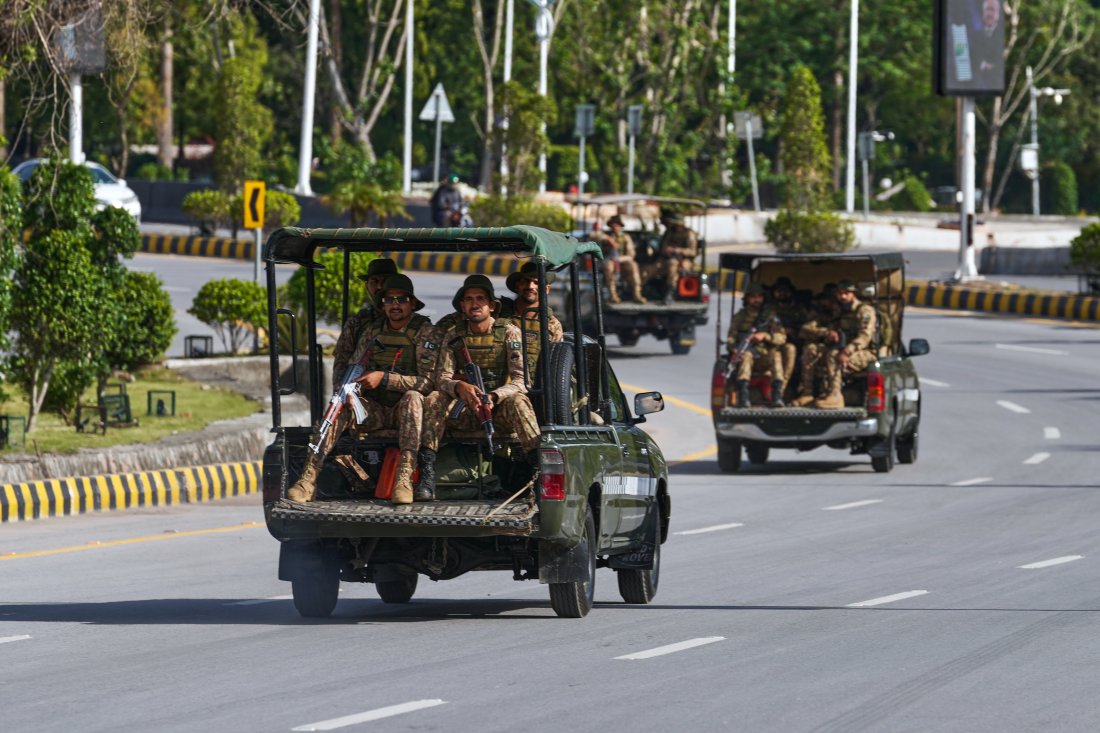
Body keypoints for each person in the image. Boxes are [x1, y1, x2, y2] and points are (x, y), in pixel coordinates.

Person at [288, 274, 443, 505]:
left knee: (413, 398)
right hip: (375, 410)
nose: (395, 305)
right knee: (338, 407)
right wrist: (352, 392)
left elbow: (428, 383)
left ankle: (403, 478)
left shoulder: (426, 332)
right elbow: (355, 368)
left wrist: (385, 378)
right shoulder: (372, 332)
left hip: (407, 412)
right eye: (389, 300)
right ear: (383, 304)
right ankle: (308, 479)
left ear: (412, 303)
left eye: (401, 299)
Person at [422, 275, 541, 465]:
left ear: (491, 306)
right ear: (462, 306)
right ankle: (426, 466)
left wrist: (494, 396)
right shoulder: (454, 334)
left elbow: (521, 380)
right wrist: (459, 386)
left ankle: (538, 465)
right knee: (434, 398)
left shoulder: (509, 333)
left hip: (496, 411)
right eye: (469, 299)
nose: (475, 304)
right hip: (463, 410)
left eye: (480, 299)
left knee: (519, 402)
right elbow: (442, 377)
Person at [796, 280, 878, 410]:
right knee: (811, 349)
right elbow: (812, 328)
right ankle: (807, 393)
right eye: (840, 293)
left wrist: (847, 351)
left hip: (866, 352)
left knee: (834, 355)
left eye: (846, 293)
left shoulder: (864, 310)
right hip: (841, 347)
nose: (843, 296)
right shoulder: (840, 311)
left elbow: (865, 336)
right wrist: (828, 334)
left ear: (853, 294)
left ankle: (836, 396)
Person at [331, 257, 398, 389]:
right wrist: (342, 392)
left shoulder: (412, 322)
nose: (379, 287)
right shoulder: (357, 323)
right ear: (367, 286)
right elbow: (341, 363)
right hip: (364, 391)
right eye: (374, 281)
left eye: (385, 281)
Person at [725, 282, 786, 408]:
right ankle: (744, 397)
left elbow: (782, 337)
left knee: (776, 356)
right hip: (748, 355)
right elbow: (731, 337)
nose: (756, 300)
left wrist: (765, 336)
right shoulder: (740, 317)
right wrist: (734, 349)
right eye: (753, 297)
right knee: (746, 355)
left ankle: (777, 396)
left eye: (759, 297)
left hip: (765, 355)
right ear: (747, 298)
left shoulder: (769, 315)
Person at [504, 262, 564, 380]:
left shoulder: (552, 325)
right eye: (526, 281)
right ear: (517, 286)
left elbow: (556, 364)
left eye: (537, 283)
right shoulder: (500, 316)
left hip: (536, 385)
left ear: (546, 289)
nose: (530, 286)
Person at [769, 277, 810, 399]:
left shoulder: (799, 310)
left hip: (793, 342)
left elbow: (806, 327)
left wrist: (793, 332)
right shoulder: (769, 309)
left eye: (785, 291)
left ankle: (782, 389)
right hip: (771, 342)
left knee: (791, 350)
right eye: (779, 291)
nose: (782, 294)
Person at [601, 215, 646, 304]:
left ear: (620, 226)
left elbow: (631, 255)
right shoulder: (607, 236)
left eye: (617, 225)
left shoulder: (625, 237)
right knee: (608, 266)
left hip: (622, 261)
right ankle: (613, 295)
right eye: (613, 225)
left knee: (633, 266)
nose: (615, 227)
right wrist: (608, 239)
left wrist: (618, 259)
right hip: (610, 261)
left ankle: (637, 294)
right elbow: (595, 236)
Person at [656, 212, 698, 302]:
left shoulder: (689, 233)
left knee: (673, 265)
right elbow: (663, 248)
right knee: (655, 267)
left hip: (685, 260)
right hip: (668, 259)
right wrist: (667, 251)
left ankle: (670, 292)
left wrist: (676, 250)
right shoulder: (670, 232)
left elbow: (693, 252)